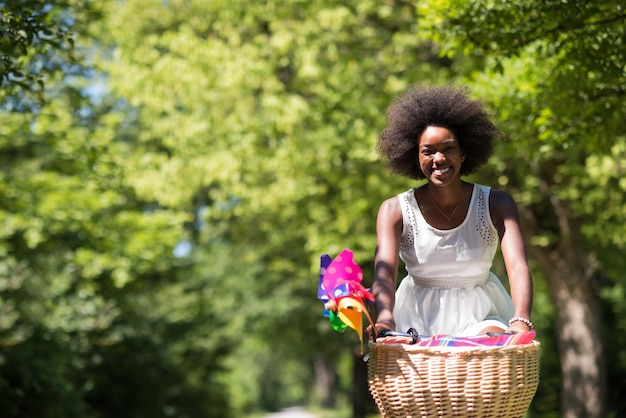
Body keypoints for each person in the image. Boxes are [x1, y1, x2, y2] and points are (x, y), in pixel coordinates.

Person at [371, 84, 533, 338]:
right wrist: (384, 319)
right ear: (415, 158)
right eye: (428, 151)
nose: (439, 158)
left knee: (490, 344)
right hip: (415, 319)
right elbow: (385, 273)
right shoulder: (394, 210)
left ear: (464, 152)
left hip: (483, 316)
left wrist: (521, 318)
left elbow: (517, 265)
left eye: (448, 148)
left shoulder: (497, 204)